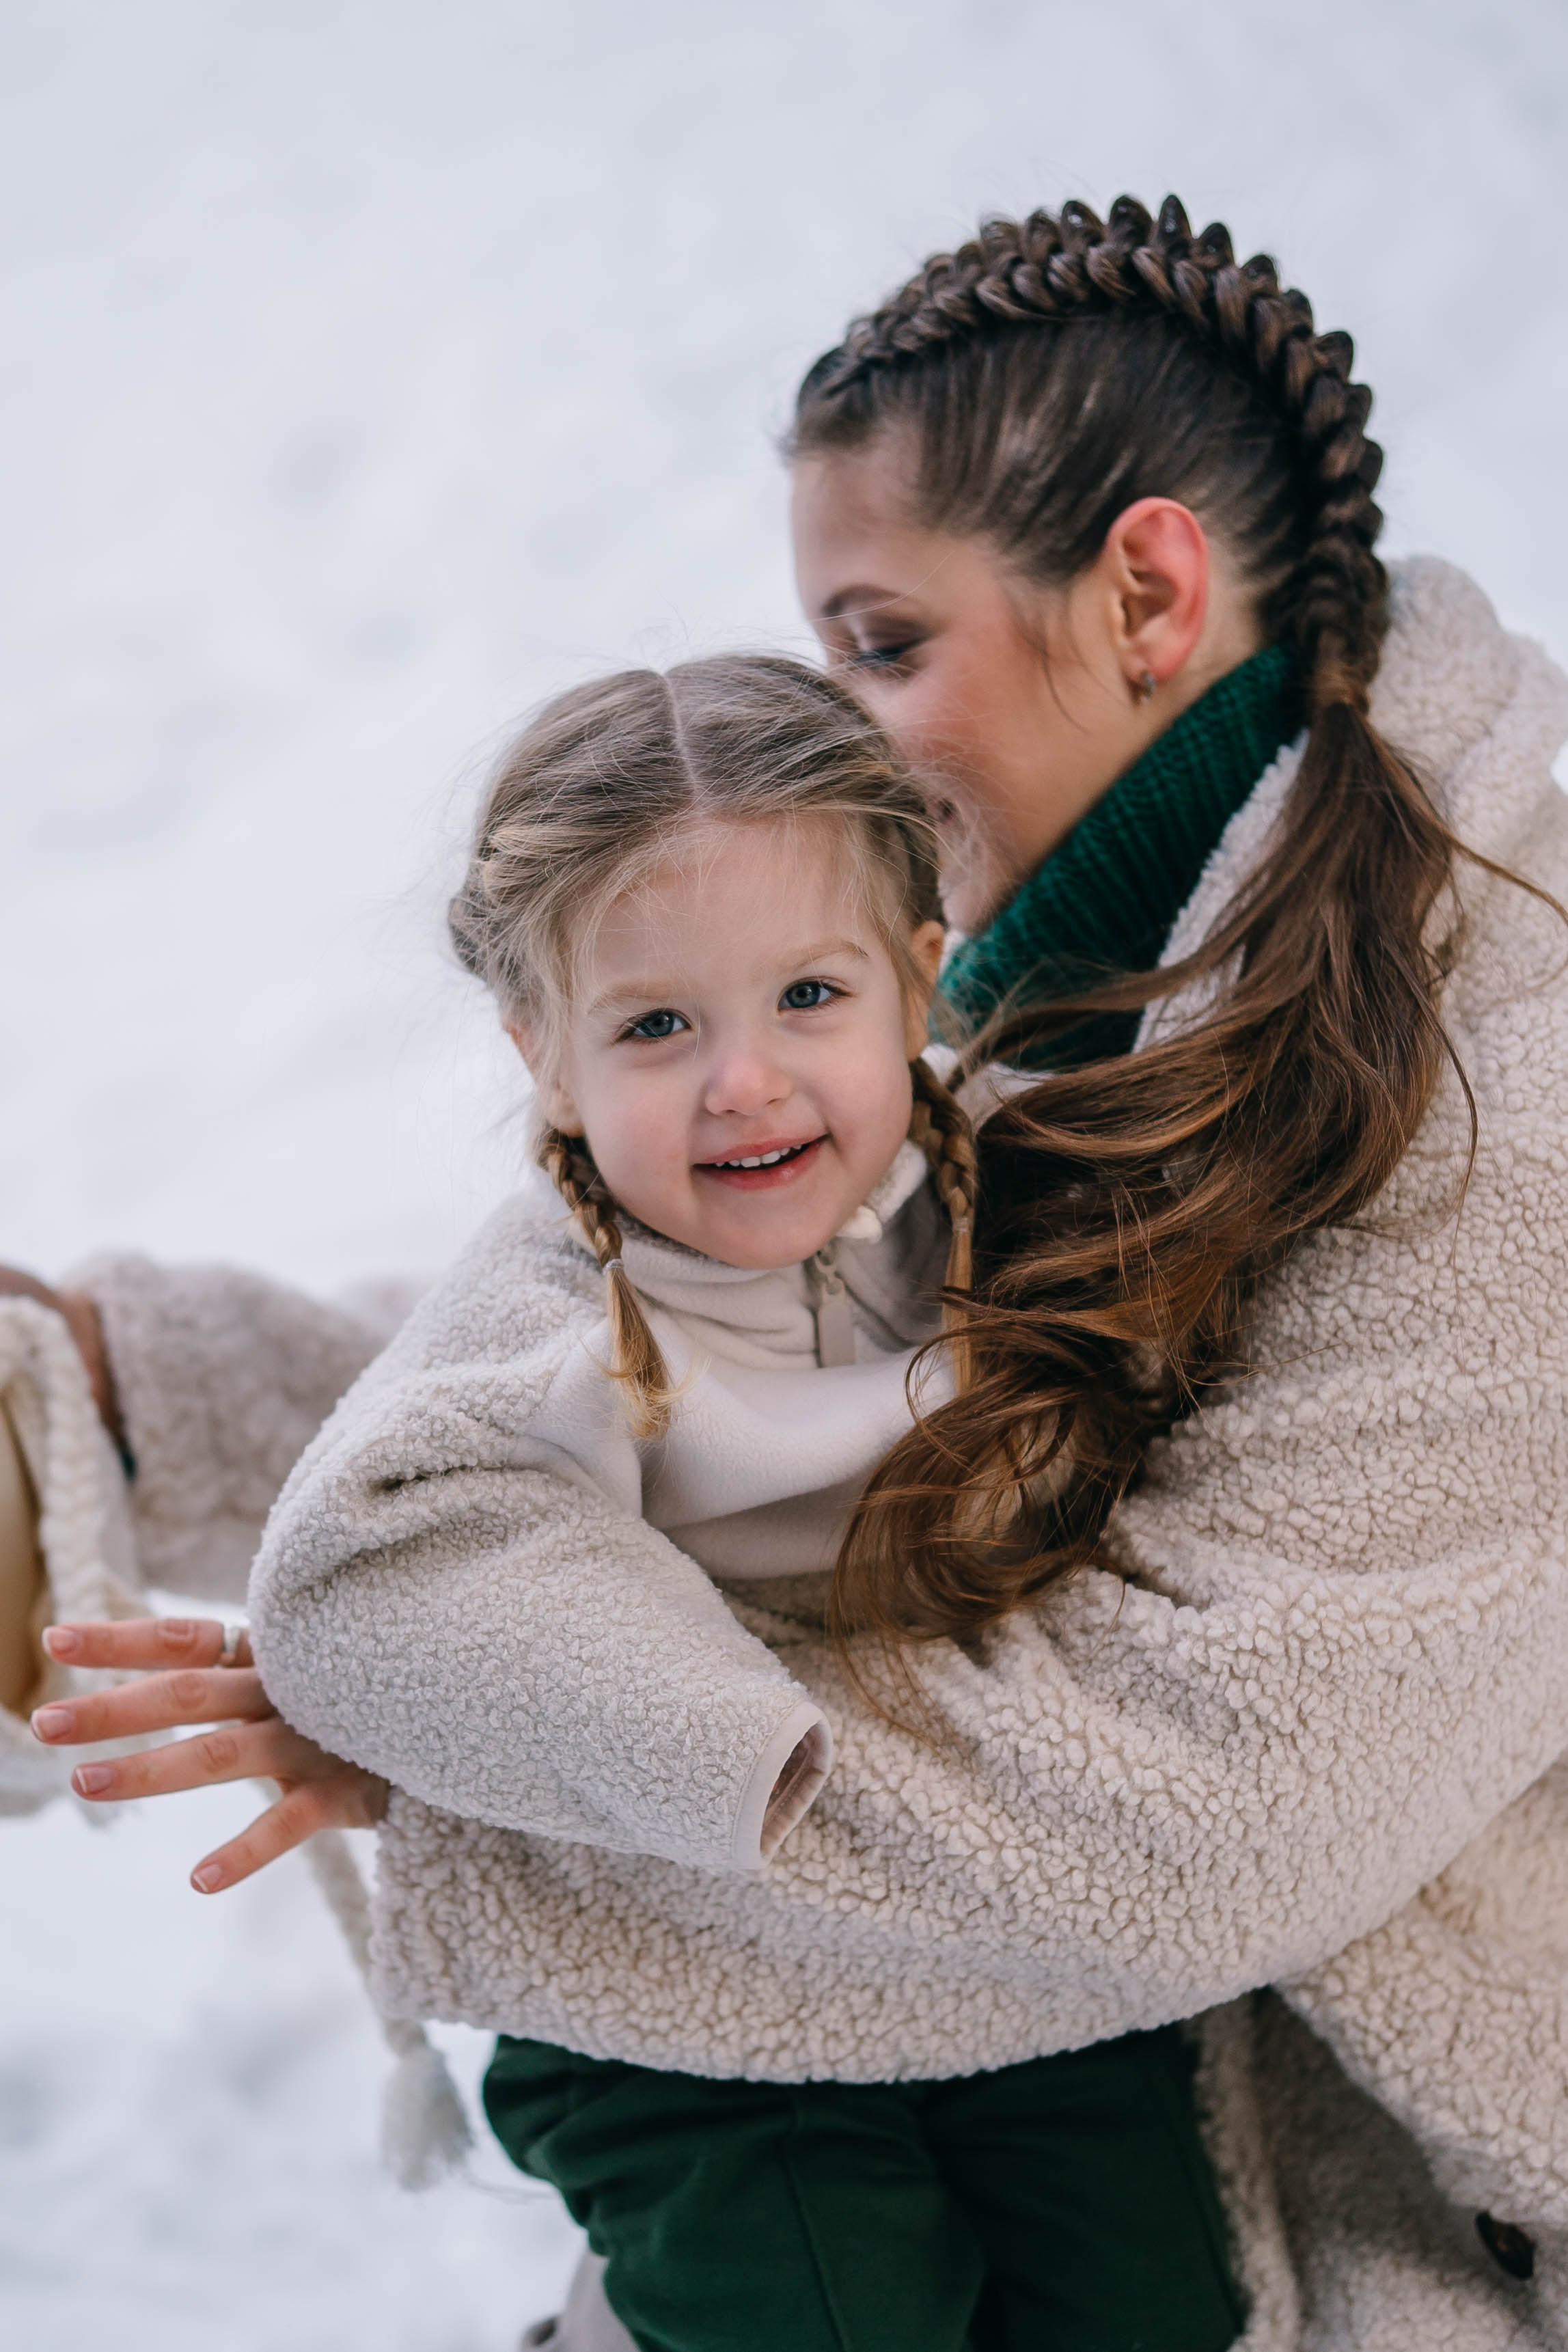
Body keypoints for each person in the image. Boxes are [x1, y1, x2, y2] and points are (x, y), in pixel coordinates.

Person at [16, 193, 1568, 2348]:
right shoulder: (1037, 944)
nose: (845, 726)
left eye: (880, 638)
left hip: (1383, 2210)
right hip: (1026, 2074)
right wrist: (133, 1393)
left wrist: (514, 1770)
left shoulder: (1516, 1061)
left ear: (1142, 590)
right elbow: (684, 1351)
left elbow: (1203, 1806)